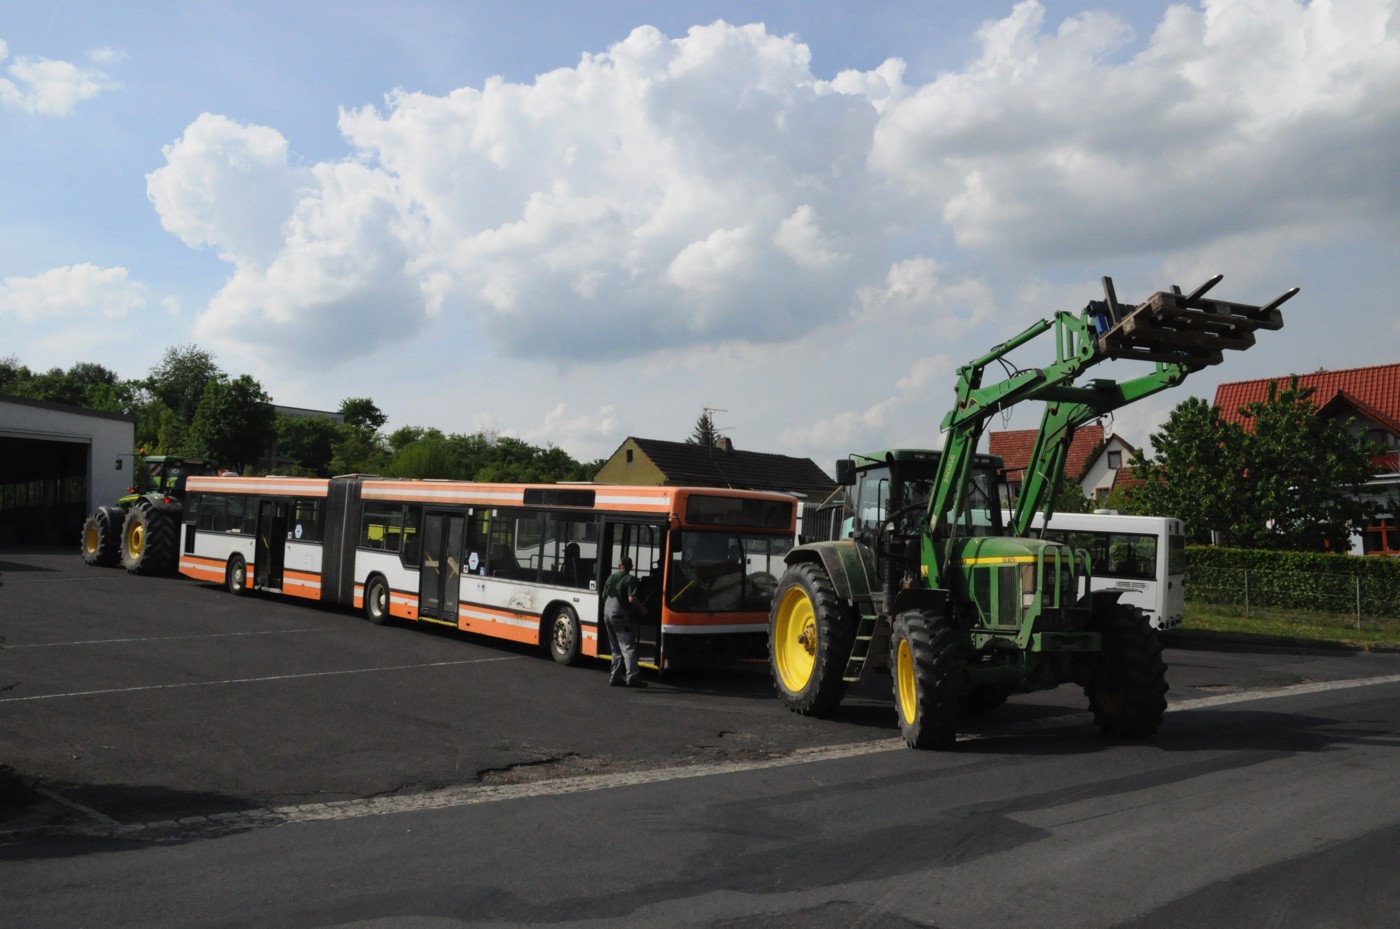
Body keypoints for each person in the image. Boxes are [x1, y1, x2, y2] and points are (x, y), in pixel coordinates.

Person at [601, 555, 647, 688]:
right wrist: (642, 608)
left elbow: (604, 595)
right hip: (620, 615)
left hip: (607, 613)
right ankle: (632, 677)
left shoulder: (611, 577)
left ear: (619, 566)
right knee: (628, 647)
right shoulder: (630, 579)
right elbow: (632, 598)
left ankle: (615, 677)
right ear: (631, 567)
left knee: (615, 647)